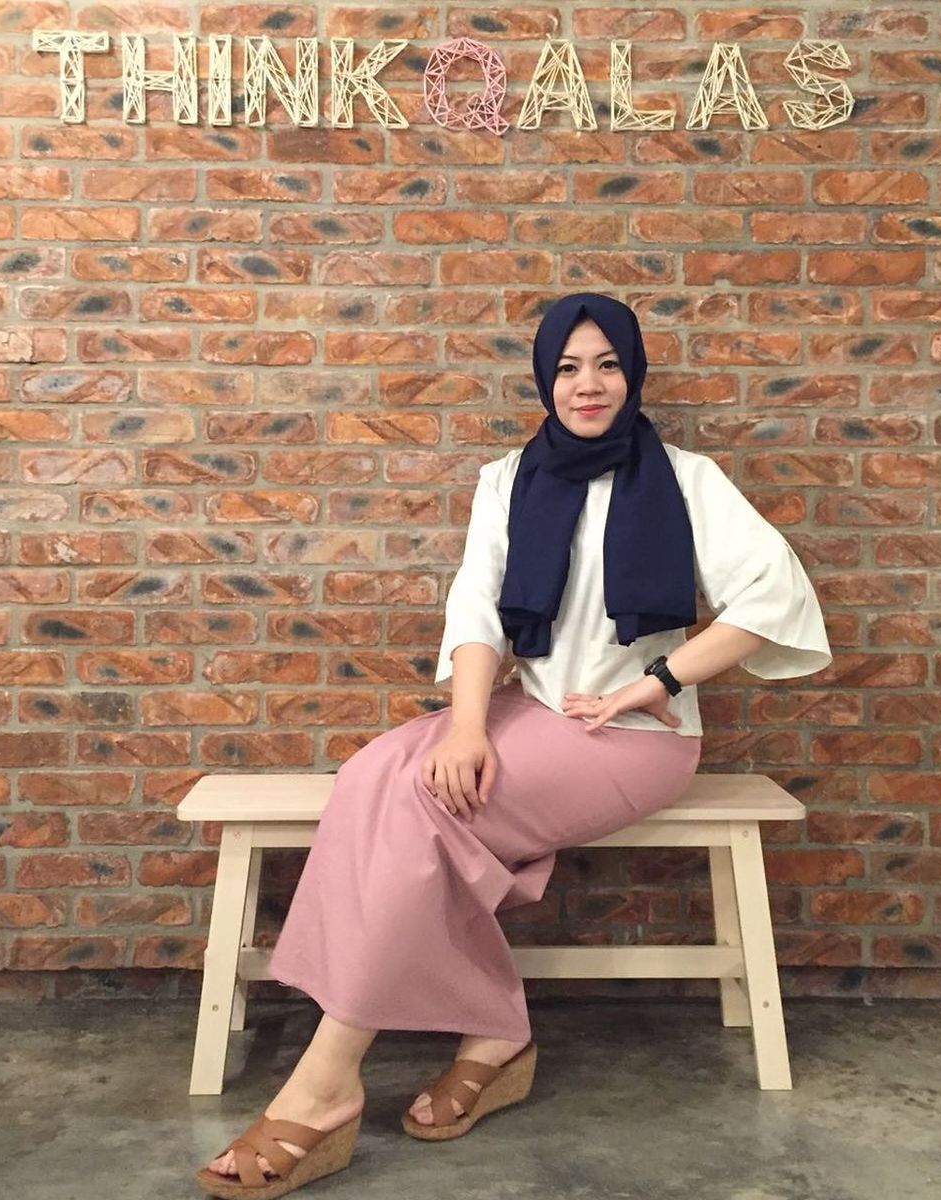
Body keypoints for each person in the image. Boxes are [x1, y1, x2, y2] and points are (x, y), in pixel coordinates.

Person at [196, 293, 832, 1198]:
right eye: (569, 367)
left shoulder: (685, 479)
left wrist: (658, 683)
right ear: (545, 377)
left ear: (634, 372)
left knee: (424, 808)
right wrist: (463, 726)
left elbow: (777, 597)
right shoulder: (508, 479)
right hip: (526, 712)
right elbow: (476, 608)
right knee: (377, 775)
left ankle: (324, 1083)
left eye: (608, 364)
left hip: (633, 739)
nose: (589, 384)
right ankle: (495, 1036)